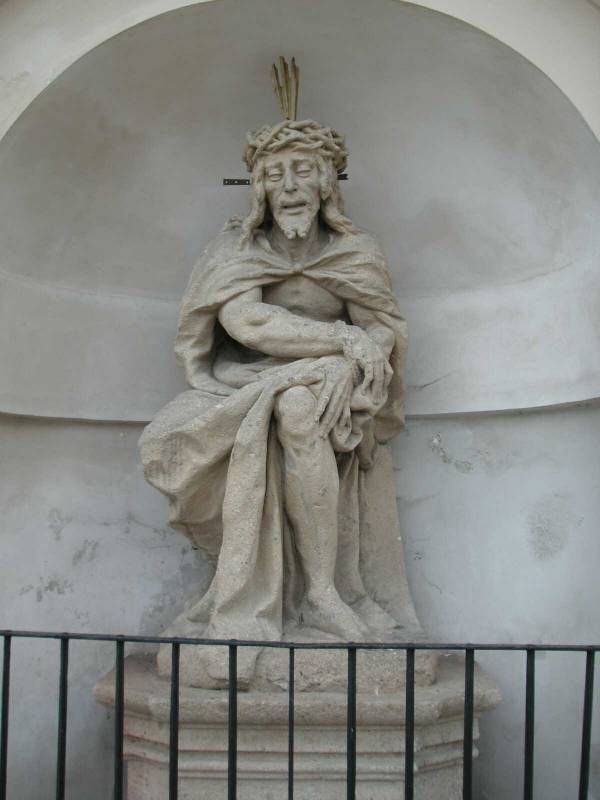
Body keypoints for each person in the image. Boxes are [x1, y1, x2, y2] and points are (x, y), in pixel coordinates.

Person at [140, 118, 422, 688]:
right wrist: (340, 340)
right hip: (246, 380)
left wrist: (357, 353)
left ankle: (322, 592)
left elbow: (381, 327)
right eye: (274, 175)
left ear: (327, 184)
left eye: (302, 172)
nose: (289, 186)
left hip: (333, 388)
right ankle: (273, 591)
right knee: (184, 434)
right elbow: (248, 321)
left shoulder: (356, 252)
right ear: (258, 190)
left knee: (298, 407)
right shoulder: (236, 249)